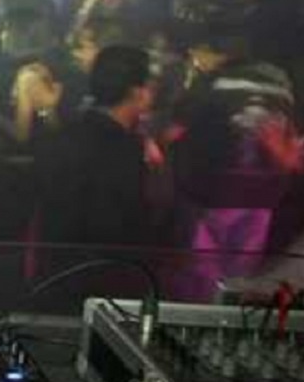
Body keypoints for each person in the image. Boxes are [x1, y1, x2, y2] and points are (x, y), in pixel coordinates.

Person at [171, 31, 302, 292]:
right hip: (252, 199)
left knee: (205, 279)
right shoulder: (280, 86)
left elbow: (181, 133)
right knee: (235, 280)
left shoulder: (214, 84)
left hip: (220, 197)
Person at [36, 45, 157, 246]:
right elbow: (127, 227)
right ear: (138, 93)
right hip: (104, 259)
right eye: (150, 84)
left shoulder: (65, 135)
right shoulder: (125, 150)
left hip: (58, 258)